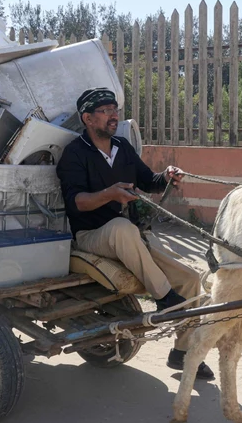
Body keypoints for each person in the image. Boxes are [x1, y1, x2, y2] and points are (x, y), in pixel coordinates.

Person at [56, 88, 214, 380]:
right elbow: (76, 202)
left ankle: (183, 353)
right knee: (121, 228)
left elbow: (148, 181)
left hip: (130, 237)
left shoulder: (122, 147)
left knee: (191, 280)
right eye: (105, 111)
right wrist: (110, 194)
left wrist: (166, 176)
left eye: (114, 109)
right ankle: (165, 298)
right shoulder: (75, 154)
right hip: (92, 236)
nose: (114, 115)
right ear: (88, 119)